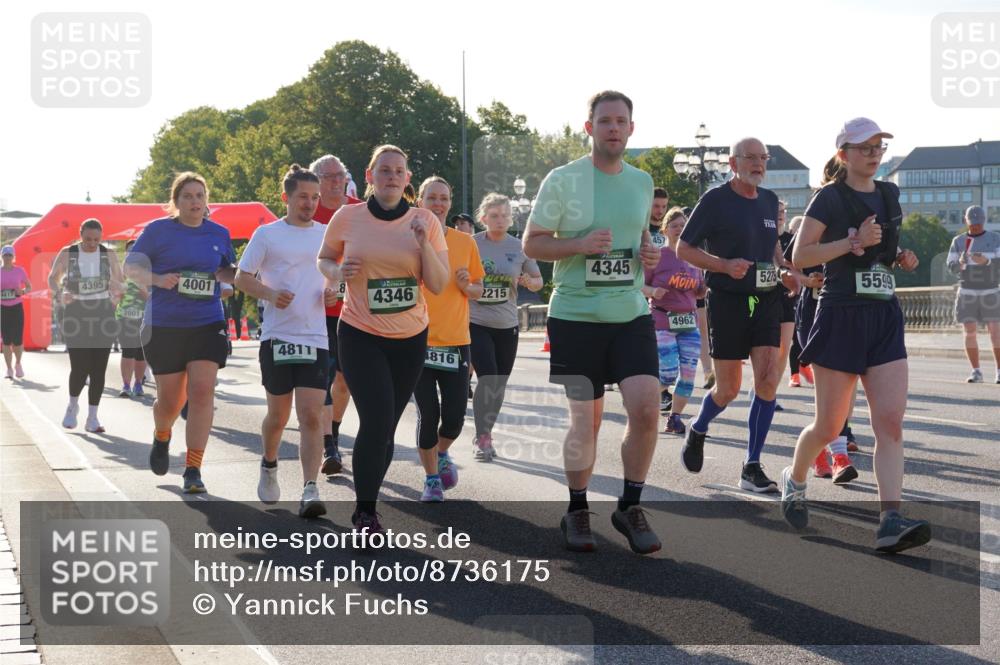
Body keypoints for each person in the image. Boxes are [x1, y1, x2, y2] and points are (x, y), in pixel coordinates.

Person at [523, 90, 662, 555]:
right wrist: (579, 244)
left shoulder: (642, 182)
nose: (613, 128)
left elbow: (643, 239)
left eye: (621, 121)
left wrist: (650, 252)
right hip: (576, 315)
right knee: (588, 421)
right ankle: (577, 510)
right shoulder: (563, 180)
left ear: (631, 129)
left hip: (629, 313)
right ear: (589, 128)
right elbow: (533, 244)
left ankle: (630, 505)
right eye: (605, 121)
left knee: (646, 408)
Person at [783, 117, 929, 553]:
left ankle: (889, 519)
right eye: (865, 146)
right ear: (844, 153)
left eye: (879, 145)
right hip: (842, 314)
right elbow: (799, 255)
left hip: (883, 315)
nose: (874, 152)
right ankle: (795, 479)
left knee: (890, 422)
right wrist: (851, 242)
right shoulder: (829, 198)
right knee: (829, 426)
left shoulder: (889, 194)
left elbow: (879, 251)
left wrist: (898, 256)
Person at [318, 144, 448, 536]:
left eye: (399, 171)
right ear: (371, 174)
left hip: (410, 337)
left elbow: (439, 285)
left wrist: (424, 243)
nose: (392, 176)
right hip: (359, 332)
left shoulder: (424, 219)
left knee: (386, 428)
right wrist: (338, 271)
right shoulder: (348, 216)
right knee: (375, 421)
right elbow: (323, 258)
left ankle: (367, 502)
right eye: (384, 169)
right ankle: (365, 513)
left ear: (407, 179)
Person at [677, 137, 795, 493]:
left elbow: (772, 243)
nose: (759, 164)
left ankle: (752, 465)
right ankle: (698, 427)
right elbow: (684, 248)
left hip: (766, 299)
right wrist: (723, 265)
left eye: (764, 158)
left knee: (769, 380)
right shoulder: (715, 200)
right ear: (733, 163)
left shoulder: (770, 200)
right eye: (751, 158)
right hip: (728, 300)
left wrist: (784, 267)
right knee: (728, 389)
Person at [125, 172, 236, 494]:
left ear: (207, 200)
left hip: (207, 321)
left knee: (202, 392)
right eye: (187, 196)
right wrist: (158, 280)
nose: (194, 201)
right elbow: (131, 267)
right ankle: (162, 434)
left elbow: (226, 269)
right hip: (165, 324)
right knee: (171, 401)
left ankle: (193, 468)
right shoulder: (158, 231)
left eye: (200, 195)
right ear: (175, 202)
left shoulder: (219, 233)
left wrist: (238, 276)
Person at [236, 165, 334, 518]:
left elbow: (334, 275)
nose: (309, 203)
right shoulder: (267, 235)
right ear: (287, 198)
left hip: (315, 336)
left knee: (310, 415)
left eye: (314, 197)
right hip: (278, 336)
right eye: (302, 197)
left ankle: (310, 488)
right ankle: (269, 462)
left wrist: (334, 289)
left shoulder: (326, 234)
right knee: (277, 417)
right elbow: (241, 277)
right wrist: (269, 293)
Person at [412, 176, 485, 501]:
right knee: (428, 414)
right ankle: (431, 479)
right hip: (417, 340)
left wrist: (467, 284)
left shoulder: (465, 242)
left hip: (456, 341)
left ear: (449, 202)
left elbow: (478, 290)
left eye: (443, 198)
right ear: (420, 202)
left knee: (454, 418)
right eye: (432, 198)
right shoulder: (408, 239)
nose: (438, 204)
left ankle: (441, 453)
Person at [469, 192, 543, 460]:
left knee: (498, 384)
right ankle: (482, 437)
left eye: (504, 215)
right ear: (483, 218)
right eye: (494, 216)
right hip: (476, 322)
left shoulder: (519, 246)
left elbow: (538, 280)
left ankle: (486, 430)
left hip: (508, 324)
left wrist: (529, 282)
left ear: (511, 218)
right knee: (488, 377)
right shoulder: (471, 244)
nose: (500, 220)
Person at [309, 154, 363, 474]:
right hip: (317, 311)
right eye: (328, 176)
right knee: (324, 378)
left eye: (339, 175)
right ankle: (329, 444)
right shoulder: (307, 210)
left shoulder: (359, 210)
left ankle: (335, 429)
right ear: (317, 180)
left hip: (355, 308)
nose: (335, 181)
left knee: (344, 381)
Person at [47, 219, 124, 433]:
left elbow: (120, 282)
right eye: (88, 239)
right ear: (81, 234)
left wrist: (117, 294)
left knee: (99, 368)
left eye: (96, 239)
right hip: (76, 311)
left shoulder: (108, 254)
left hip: (102, 312)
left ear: (101, 237)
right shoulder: (68, 252)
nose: (92, 243)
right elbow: (52, 278)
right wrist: (59, 293)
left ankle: (93, 417)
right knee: (80, 366)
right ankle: (72, 406)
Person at [645, 207, 705, 435]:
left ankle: (674, 418)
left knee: (688, 374)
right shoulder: (657, 255)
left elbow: (698, 291)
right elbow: (638, 285)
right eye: (675, 226)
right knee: (668, 372)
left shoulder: (694, 257)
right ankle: (642, 403)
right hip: (662, 320)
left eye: (683, 226)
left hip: (688, 322)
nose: (680, 229)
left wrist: (703, 289)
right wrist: (652, 291)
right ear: (665, 230)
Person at [946, 205, 1000, 383]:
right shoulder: (958, 241)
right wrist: (960, 264)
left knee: (995, 333)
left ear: (983, 221)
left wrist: (987, 261)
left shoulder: (994, 239)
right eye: (972, 223)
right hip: (967, 291)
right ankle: (976, 371)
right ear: (966, 221)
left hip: (991, 291)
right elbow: (951, 266)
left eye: (978, 223)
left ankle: (999, 371)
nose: (975, 226)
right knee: (970, 332)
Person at [116, 240, 149, 397]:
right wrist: (118, 292)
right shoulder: (120, 274)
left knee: (141, 353)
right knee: (127, 351)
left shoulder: (149, 272)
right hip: (124, 317)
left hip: (144, 317)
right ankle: (126, 385)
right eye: (129, 251)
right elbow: (114, 297)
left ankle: (138, 383)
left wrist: (142, 289)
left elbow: (152, 297)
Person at [1, 245, 31, 379]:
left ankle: (18, 364)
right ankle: (8, 369)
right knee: (6, 340)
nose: (7, 258)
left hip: (17, 307)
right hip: (3, 308)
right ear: (2, 256)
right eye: (5, 255)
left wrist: (23, 291)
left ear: (13, 257)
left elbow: (29, 287)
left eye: (9, 255)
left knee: (17, 340)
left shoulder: (20, 271)